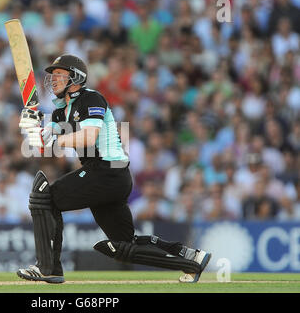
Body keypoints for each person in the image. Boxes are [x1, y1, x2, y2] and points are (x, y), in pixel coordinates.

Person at [16, 54, 211, 284]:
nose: (54, 80)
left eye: (60, 75)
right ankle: (190, 259)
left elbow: (89, 136)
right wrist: (33, 129)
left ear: (76, 78)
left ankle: (48, 267)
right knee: (123, 246)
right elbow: (43, 147)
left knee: (45, 198)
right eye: (53, 76)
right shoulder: (60, 112)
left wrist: (52, 137)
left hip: (108, 172)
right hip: (105, 177)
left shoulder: (91, 99)